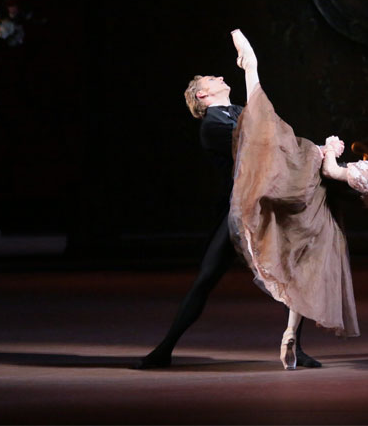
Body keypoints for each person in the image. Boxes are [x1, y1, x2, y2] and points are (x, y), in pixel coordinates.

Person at [227, 30, 368, 369]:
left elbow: (333, 172)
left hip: (312, 178)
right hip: (322, 201)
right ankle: (289, 335)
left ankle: (251, 70)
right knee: (308, 273)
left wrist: (331, 149)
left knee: (272, 139)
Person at [133, 37, 321, 370]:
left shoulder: (237, 111)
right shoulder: (211, 126)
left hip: (261, 206)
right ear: (203, 96)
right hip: (238, 211)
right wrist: (251, 70)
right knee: (207, 278)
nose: (220, 78)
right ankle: (163, 350)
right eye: (212, 80)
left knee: (289, 274)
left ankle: (296, 346)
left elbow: (268, 135)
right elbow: (253, 141)